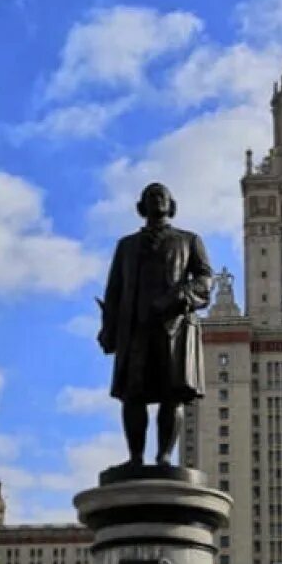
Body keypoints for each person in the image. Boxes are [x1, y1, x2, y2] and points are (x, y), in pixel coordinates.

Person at [98, 182, 214, 467]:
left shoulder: (188, 240)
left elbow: (204, 280)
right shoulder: (126, 246)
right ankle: (135, 458)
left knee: (171, 394)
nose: (156, 198)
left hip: (172, 327)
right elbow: (113, 291)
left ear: (171, 203)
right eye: (150, 196)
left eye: (161, 195)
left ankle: (164, 456)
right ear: (141, 206)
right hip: (134, 329)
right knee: (132, 395)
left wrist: (179, 297)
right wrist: (108, 327)